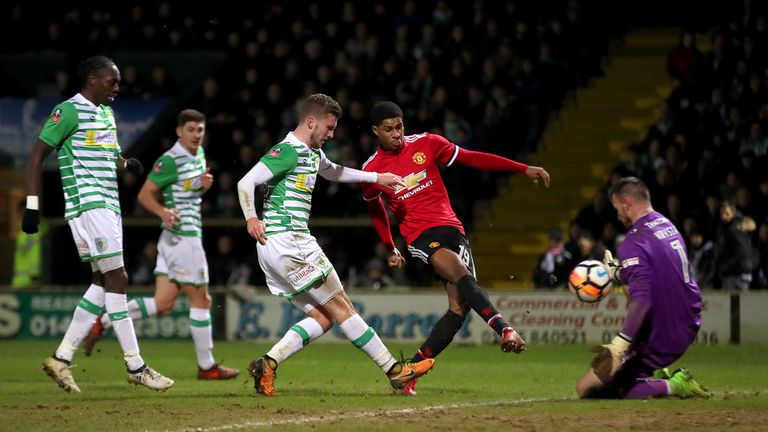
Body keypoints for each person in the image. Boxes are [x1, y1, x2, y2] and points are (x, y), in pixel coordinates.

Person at [236, 93, 435, 397]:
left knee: (324, 316)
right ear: (311, 121)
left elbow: (335, 171)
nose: (331, 134)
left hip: (278, 248)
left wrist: (376, 177)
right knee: (342, 306)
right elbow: (245, 182)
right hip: (289, 241)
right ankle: (395, 371)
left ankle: (268, 364)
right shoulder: (288, 150)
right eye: (328, 128)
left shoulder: (312, 153)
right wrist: (251, 217)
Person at [361, 101, 551, 395]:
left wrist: (522, 168)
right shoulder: (371, 171)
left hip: (453, 229)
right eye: (388, 129)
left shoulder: (428, 143)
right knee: (459, 272)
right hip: (419, 236)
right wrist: (389, 248)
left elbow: (474, 158)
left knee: (458, 308)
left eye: (399, 126)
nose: (397, 134)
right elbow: (377, 212)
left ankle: (408, 372)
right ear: (375, 131)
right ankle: (505, 329)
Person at [22, 56, 173, 393]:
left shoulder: (105, 113)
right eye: (111, 81)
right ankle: (136, 365)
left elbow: (107, 154)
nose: (117, 88)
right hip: (89, 206)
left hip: (108, 206)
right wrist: (32, 205)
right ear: (92, 79)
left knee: (102, 282)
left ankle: (61, 358)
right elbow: (36, 154)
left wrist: (126, 163)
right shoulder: (69, 111)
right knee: (118, 277)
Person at [82, 109, 239, 380]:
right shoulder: (170, 160)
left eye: (200, 130)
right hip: (184, 238)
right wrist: (163, 212)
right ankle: (207, 366)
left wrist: (202, 186)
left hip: (173, 240)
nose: (196, 134)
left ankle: (104, 321)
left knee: (163, 303)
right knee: (202, 300)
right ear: (179, 132)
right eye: (190, 129)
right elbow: (145, 195)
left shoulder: (198, 155)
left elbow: (186, 192)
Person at [577, 177, 710, 399]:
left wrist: (620, 343)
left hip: (663, 331)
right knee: (631, 291)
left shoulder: (633, 241)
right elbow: (659, 272)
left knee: (588, 389)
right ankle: (653, 368)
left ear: (627, 204)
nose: (618, 215)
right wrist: (619, 272)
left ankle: (674, 384)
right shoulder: (667, 225)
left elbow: (643, 299)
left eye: (617, 209)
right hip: (687, 319)